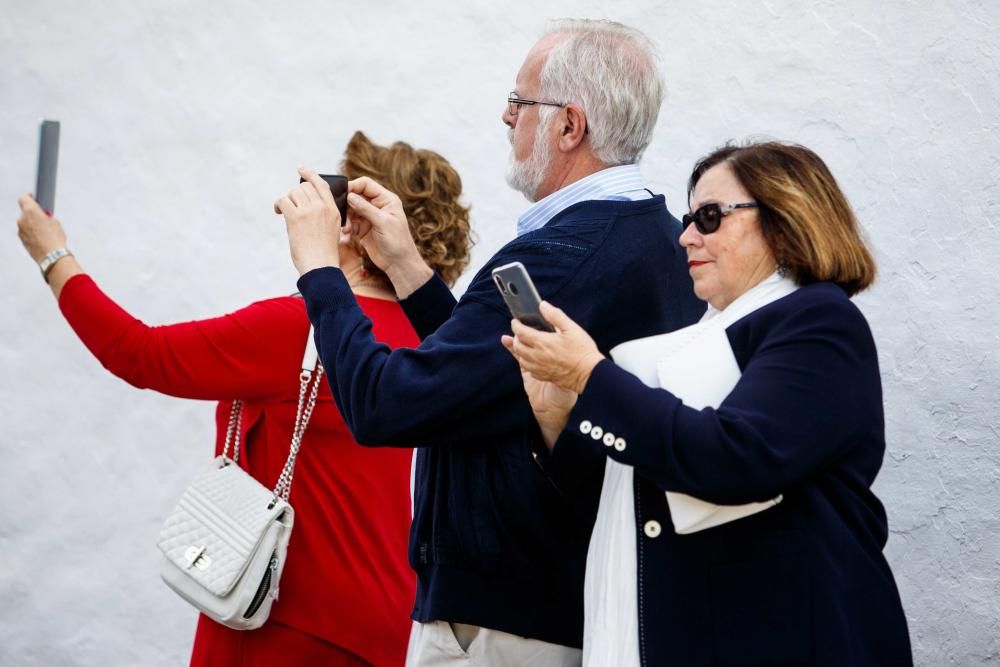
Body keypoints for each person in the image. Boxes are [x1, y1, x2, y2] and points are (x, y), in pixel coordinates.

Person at [275, 19, 704, 666]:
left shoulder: (563, 258)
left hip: (506, 625)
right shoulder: (652, 237)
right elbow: (487, 376)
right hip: (554, 608)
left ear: (569, 126)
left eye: (521, 101)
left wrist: (320, 270)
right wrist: (408, 270)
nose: (506, 116)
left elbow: (385, 403)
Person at [15, 131, 473, 667]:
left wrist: (52, 254)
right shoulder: (439, 336)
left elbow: (138, 353)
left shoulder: (301, 329)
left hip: (277, 618)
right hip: (388, 625)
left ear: (354, 221)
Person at [503, 140, 913, 666]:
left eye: (710, 217)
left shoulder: (819, 322)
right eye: (689, 217)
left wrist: (591, 375)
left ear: (784, 219)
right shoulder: (696, 338)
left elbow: (736, 459)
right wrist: (558, 413)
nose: (686, 236)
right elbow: (630, 498)